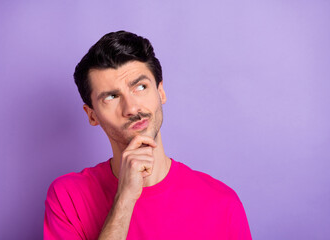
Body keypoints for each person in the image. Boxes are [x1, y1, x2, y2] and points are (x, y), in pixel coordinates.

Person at [44, 30, 252, 240]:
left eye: (140, 87)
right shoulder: (68, 197)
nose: (132, 108)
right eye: (112, 96)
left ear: (160, 92)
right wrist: (125, 198)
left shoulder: (222, 202)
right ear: (92, 115)